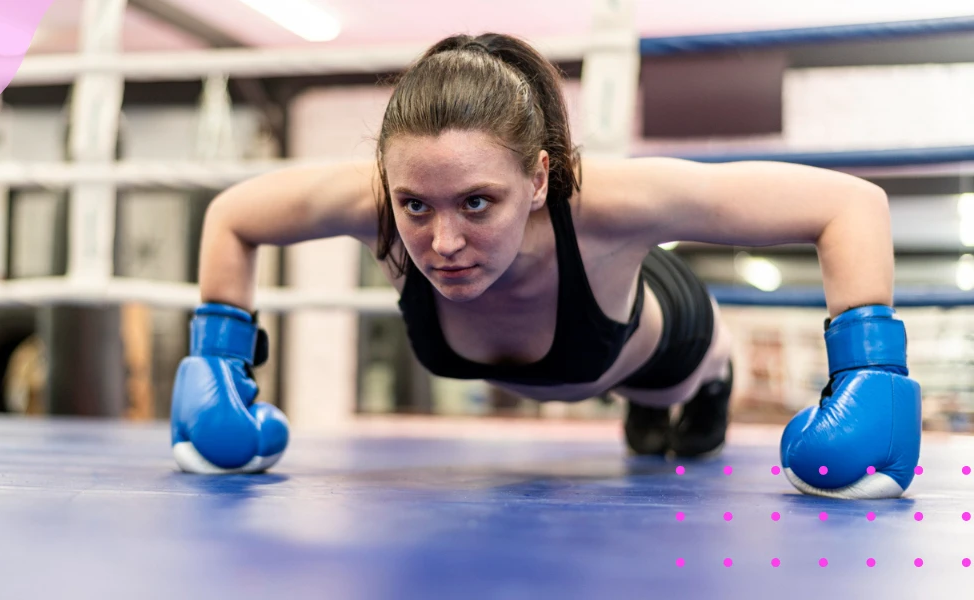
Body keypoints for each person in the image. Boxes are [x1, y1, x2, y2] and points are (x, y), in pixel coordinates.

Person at [169, 33, 922, 500]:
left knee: (677, 417)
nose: (443, 243)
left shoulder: (611, 201)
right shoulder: (375, 206)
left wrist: (870, 381)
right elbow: (233, 217)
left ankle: (700, 389)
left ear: (537, 180)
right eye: (417, 206)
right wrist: (217, 369)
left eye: (476, 202)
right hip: (573, 357)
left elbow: (850, 205)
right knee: (643, 437)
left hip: (663, 338)